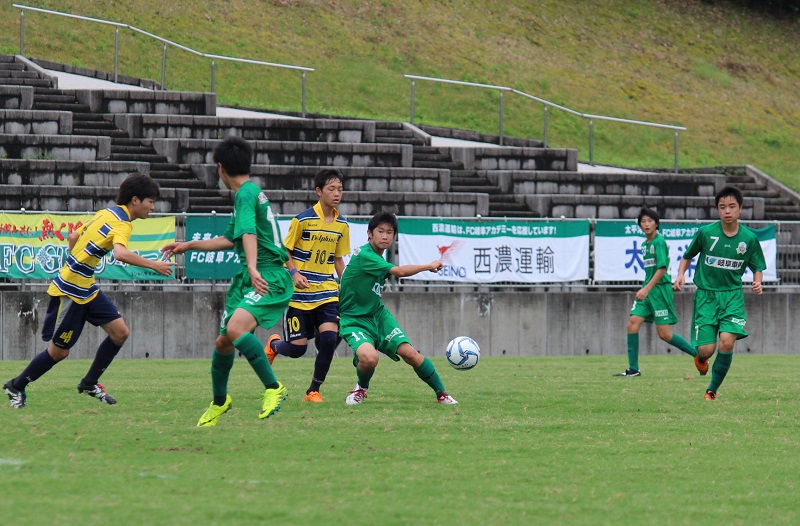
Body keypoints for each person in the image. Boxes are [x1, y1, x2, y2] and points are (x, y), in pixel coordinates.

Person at [3, 173, 175, 409]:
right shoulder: (123, 224)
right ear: (135, 200)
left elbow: (74, 236)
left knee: (120, 332)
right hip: (71, 291)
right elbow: (120, 254)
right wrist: (155, 265)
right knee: (59, 352)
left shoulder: (107, 213)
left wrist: (77, 263)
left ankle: (89, 383)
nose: (153, 207)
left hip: (86, 287)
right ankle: (16, 385)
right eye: (151, 201)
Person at [160, 136, 293, 426]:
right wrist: (188, 245)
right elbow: (231, 237)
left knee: (235, 329)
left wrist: (254, 268)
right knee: (223, 342)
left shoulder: (245, 195)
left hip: (267, 275)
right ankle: (220, 402)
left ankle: (274, 388)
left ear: (220, 167)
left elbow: (249, 233)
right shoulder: (250, 192)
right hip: (251, 276)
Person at [338, 211, 458, 405]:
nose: (385, 236)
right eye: (380, 231)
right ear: (369, 234)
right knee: (370, 358)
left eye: (389, 232)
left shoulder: (378, 259)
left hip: (378, 315)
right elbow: (400, 272)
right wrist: (428, 266)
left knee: (410, 354)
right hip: (354, 319)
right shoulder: (366, 255)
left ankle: (442, 394)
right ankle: (361, 387)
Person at [265, 168, 350, 403]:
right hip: (300, 294)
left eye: (340, 189)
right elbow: (285, 251)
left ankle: (313, 390)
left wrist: (347, 285)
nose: (337, 193)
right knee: (297, 350)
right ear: (319, 191)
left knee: (330, 339)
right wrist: (294, 274)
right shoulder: (302, 220)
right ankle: (274, 344)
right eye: (331, 189)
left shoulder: (342, 224)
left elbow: (338, 260)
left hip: (327, 292)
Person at [674, 186, 766, 401]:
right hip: (706, 296)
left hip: (732, 296)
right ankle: (701, 358)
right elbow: (687, 255)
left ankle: (712, 390)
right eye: (722, 207)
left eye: (732, 206)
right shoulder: (706, 233)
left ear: (740, 208)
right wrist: (680, 274)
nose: (727, 211)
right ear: (717, 209)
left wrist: (758, 282)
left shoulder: (749, 238)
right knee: (706, 350)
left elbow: (758, 266)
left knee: (727, 342)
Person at [614, 207, 699, 377]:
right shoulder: (645, 245)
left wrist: (648, 288)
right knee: (632, 324)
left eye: (650, 221)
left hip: (658, 292)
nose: (646, 224)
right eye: (643, 221)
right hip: (649, 291)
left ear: (657, 224)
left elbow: (661, 268)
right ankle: (633, 369)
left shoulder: (659, 242)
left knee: (664, 334)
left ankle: (698, 356)